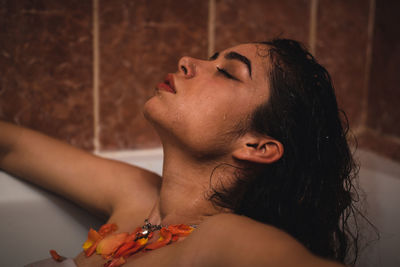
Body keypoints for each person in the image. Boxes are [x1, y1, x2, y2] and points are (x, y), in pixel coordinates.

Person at [0, 39, 359, 267]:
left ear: (256, 146)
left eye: (228, 73)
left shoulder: (222, 239)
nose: (188, 60)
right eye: (212, 58)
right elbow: (11, 148)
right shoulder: (135, 194)